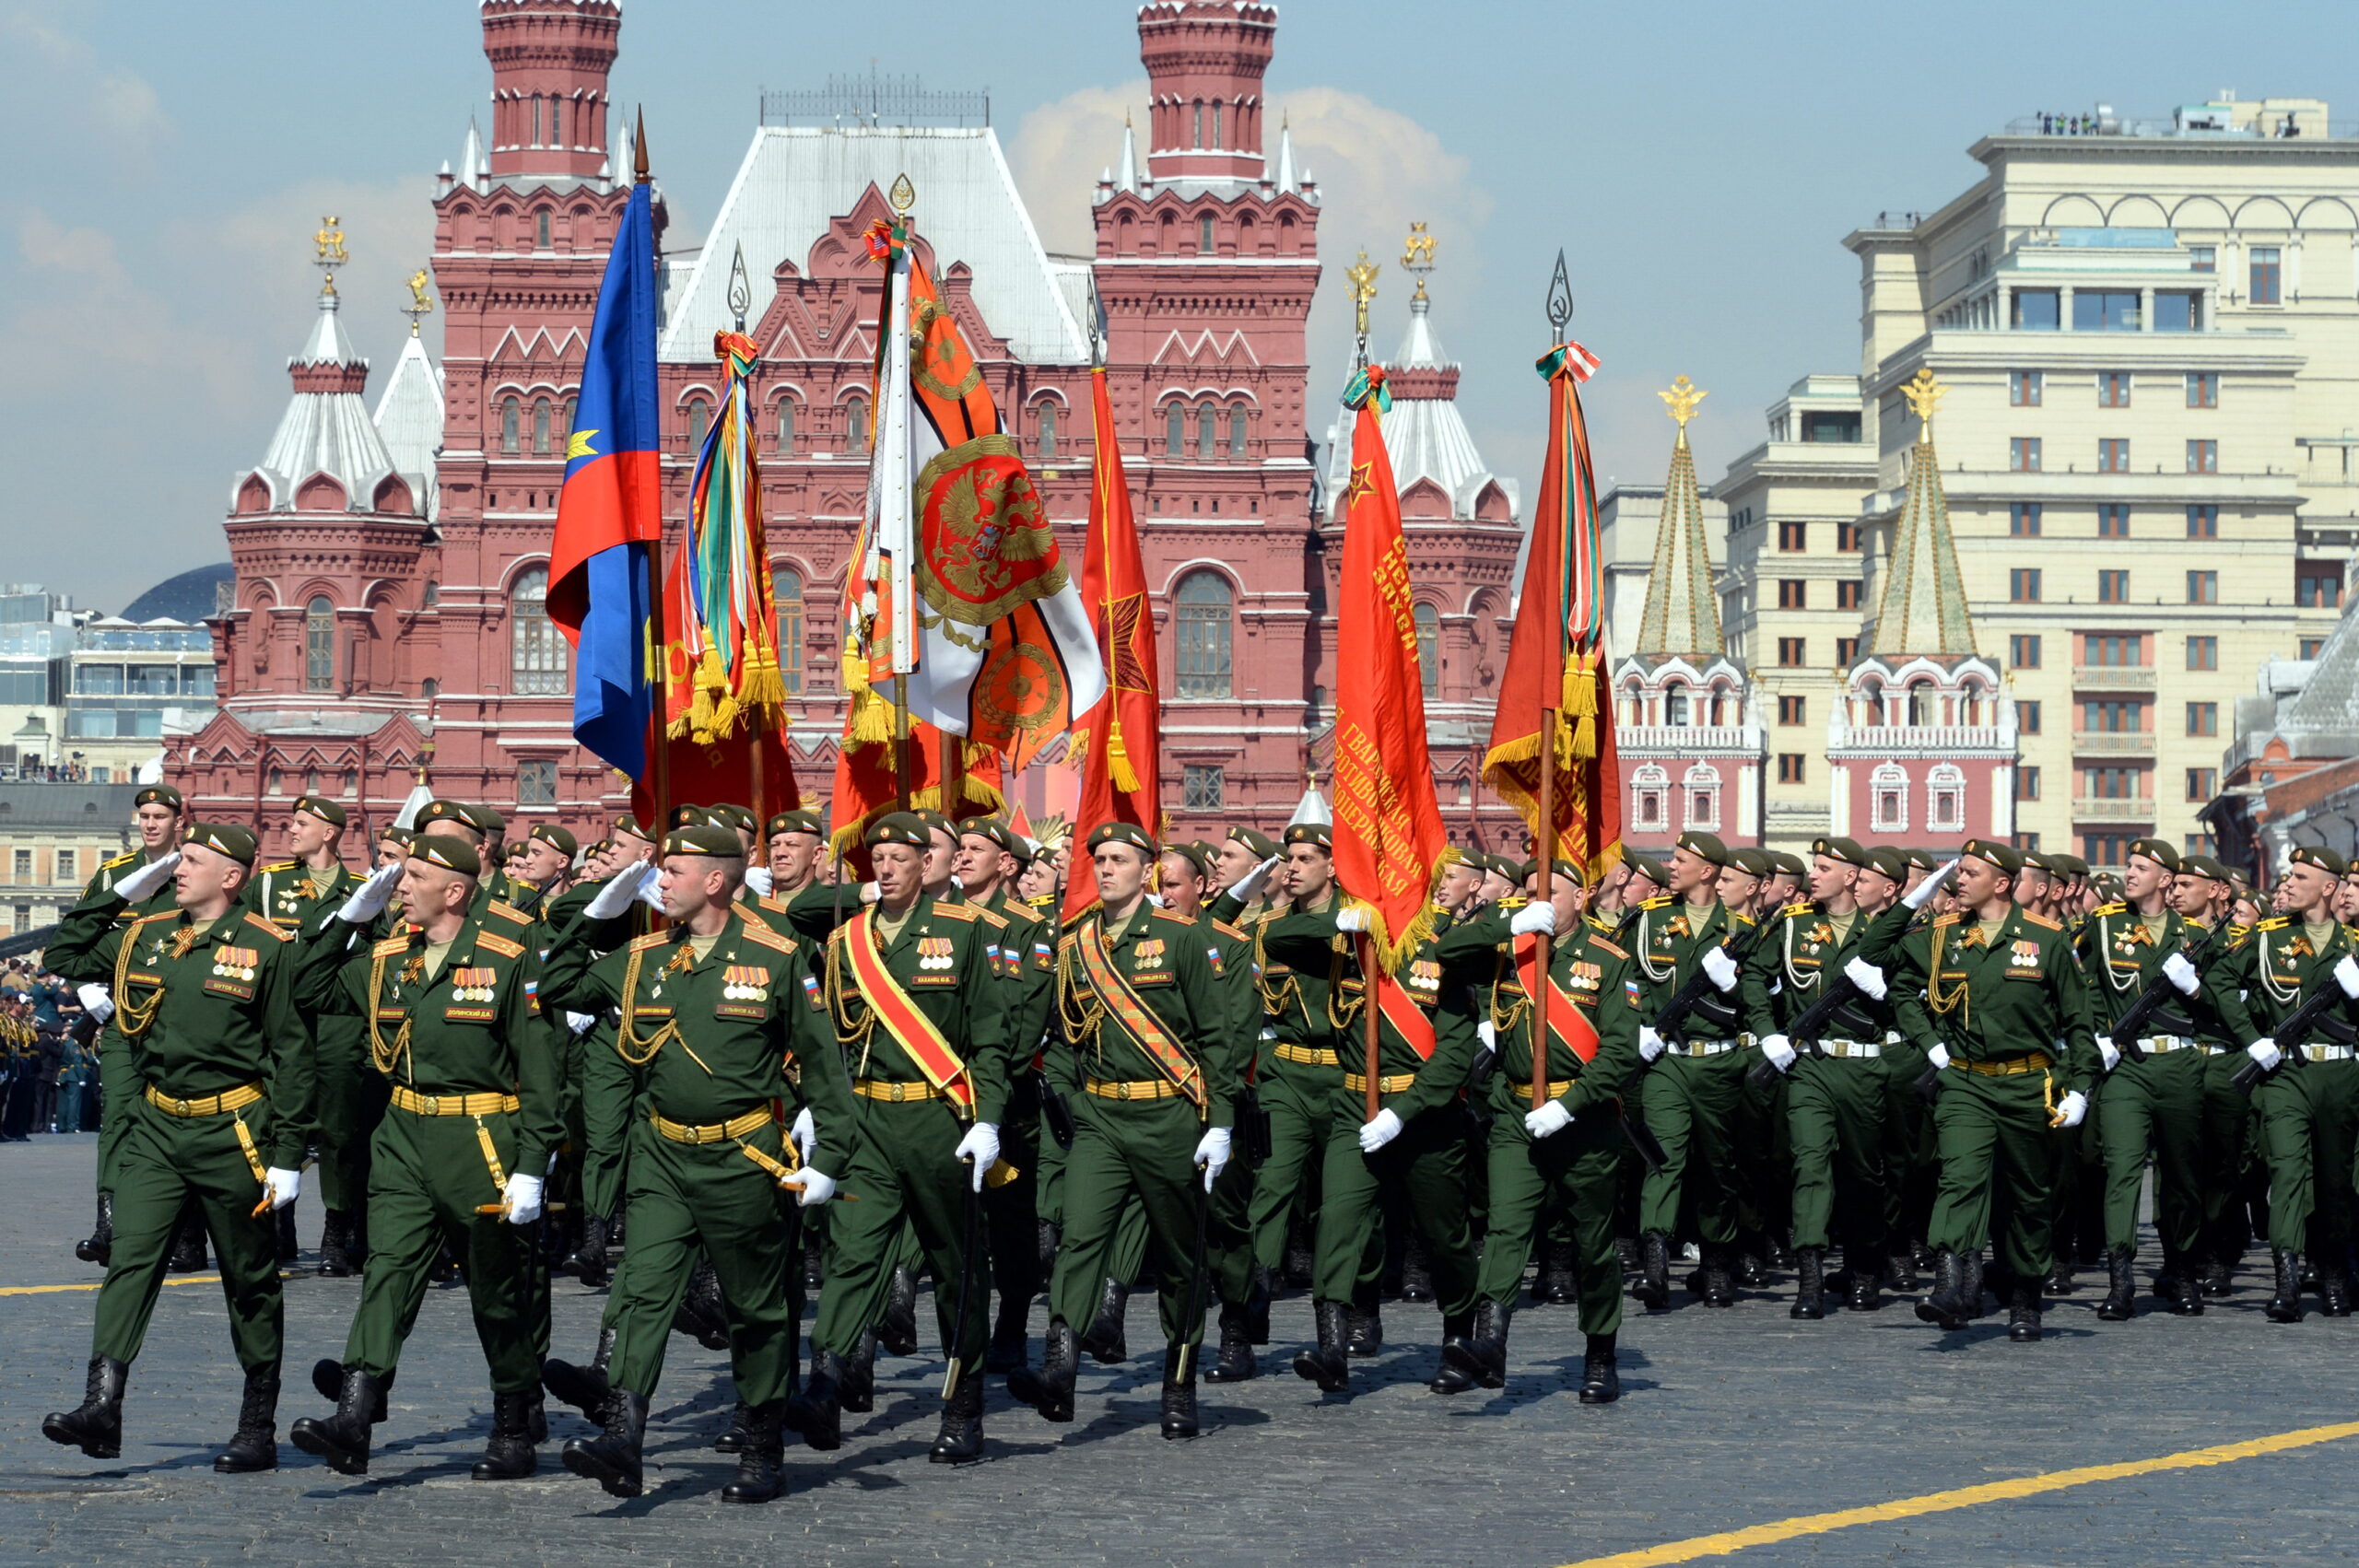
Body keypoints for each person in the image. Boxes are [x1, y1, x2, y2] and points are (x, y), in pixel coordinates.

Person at [537, 822, 851, 1503]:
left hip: (743, 1157)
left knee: (755, 1309)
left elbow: (825, 1066)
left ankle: (763, 1443)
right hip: (661, 1154)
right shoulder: (645, 954)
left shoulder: (775, 955)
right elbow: (557, 986)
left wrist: (833, 1156)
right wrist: (597, 914)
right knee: (645, 1289)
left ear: (715, 879)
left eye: (672, 870)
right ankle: (623, 1436)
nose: (661, 881)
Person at [40, 823, 313, 1472]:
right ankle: (101, 1408)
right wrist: (123, 891)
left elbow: (293, 1056)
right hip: (158, 1129)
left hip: (234, 1131)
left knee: (248, 1281)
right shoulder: (146, 933)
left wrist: (288, 1152)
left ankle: (257, 1424)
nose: (178, 867)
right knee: (130, 1261)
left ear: (232, 876)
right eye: (177, 858)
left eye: (192, 860)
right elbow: (65, 954)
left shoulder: (268, 947)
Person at [287, 836, 558, 1480]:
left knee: (497, 1294)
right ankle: (354, 1417)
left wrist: (532, 1163)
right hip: (404, 1135)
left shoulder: (506, 961)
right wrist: (348, 920)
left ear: (455, 890)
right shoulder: (387, 961)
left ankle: (515, 1426)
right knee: (388, 1275)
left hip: (483, 1138)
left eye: (413, 876)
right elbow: (307, 984)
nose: (399, 886)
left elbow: (542, 1072)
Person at [789, 813, 1010, 1464]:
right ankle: (825, 1387)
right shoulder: (845, 940)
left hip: (937, 1119)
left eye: (898, 858)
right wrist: (814, 1106)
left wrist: (988, 1118)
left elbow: (989, 1038)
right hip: (864, 1122)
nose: (884, 869)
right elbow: (828, 1037)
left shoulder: (964, 933)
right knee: (853, 1255)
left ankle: (963, 1404)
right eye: (876, 858)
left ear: (927, 864)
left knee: (954, 1266)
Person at [1007, 823, 1235, 1436]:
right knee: (1080, 1236)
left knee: (1181, 1254)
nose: (1106, 870)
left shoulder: (1181, 940)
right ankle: (1060, 1364)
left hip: (1170, 1114)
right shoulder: (1076, 944)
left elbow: (1216, 1037)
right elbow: (1061, 1030)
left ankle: (1179, 1380)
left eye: (1119, 860)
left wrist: (1222, 1123)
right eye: (1100, 860)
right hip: (1102, 1115)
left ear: (1147, 869)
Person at [1437, 860, 1637, 1399]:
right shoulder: (1511, 950)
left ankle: (1601, 1353)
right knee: (1505, 1230)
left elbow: (1620, 1052)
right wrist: (1510, 924)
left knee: (1592, 1244)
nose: (1536, 898)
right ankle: (1490, 1345)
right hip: (1515, 1113)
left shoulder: (1608, 960)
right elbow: (1446, 952)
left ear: (1584, 896)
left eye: (1549, 891)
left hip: (1583, 1118)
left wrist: (1571, 1104)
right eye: (1528, 891)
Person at [1893, 839, 2097, 1341]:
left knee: (2026, 1195)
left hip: (2030, 1082)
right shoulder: (1941, 935)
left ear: (2002, 883)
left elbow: (2079, 1023)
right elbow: (1893, 978)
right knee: (1959, 1179)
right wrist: (1931, 1046)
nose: (1958, 880)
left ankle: (2026, 1297)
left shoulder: (2046, 939)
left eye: (1969, 873)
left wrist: (2081, 1088)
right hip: (1964, 1080)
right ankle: (1947, 1284)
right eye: (1958, 872)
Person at [1745, 839, 1949, 1317]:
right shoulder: (1793, 925)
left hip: (1865, 1067)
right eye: (1813, 867)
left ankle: (1863, 1267)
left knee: (1863, 1175)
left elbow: (1921, 992)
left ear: (1853, 876)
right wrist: (1767, 1033)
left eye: (1824, 868)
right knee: (1809, 1167)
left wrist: (1888, 995)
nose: (1813, 876)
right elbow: (1755, 974)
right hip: (1809, 1067)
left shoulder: (1884, 933)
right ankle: (1810, 1279)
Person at [2208, 845, 2359, 1321]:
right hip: (2285, 1074)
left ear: (2328, 887)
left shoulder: (2353, 945)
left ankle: (2334, 1271)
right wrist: (2252, 1040)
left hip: (2340, 1073)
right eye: (2287, 875)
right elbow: (2219, 981)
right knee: (2287, 1174)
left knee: (2335, 1182)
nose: (2288, 883)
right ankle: (2287, 1277)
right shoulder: (2268, 937)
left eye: (2299, 877)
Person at [2077, 838, 2214, 1319]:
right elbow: (2081, 987)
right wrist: (2098, 1037)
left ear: (2166, 879)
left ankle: (2180, 1270)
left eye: (2141, 867)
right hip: (2125, 1067)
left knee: (2181, 1176)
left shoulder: (2194, 934)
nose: (2129, 873)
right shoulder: (2105, 923)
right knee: (2123, 1170)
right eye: (2129, 865)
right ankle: (2121, 1278)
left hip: (2178, 1066)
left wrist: (2195, 987)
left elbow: (2222, 1008)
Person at [59, 782, 189, 1268]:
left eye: (160, 816)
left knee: (177, 1119)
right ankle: (107, 1224)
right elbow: (79, 931)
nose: (151, 824)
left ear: (179, 822)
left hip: (180, 1023)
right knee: (117, 1120)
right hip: (122, 1021)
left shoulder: (192, 871)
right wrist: (89, 989)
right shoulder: (116, 875)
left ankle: (179, 1229)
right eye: (146, 816)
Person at [1628, 831, 1757, 1309]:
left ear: (1708, 871)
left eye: (1681, 859)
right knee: (1663, 1158)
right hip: (1667, 1063)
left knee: (1718, 1167)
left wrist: (1737, 990)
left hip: (1721, 1061)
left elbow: (1762, 999)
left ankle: (1717, 1262)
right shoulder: (1649, 920)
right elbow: (1630, 980)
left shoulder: (1743, 928)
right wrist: (1638, 1026)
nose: (1672, 865)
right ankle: (1656, 1264)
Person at [249, 795, 372, 1274]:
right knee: (276, 1121)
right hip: (279, 1021)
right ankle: (279, 1225)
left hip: (338, 1024)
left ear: (330, 832)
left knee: (340, 1132)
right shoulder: (268, 884)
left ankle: (336, 1232)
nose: (291, 830)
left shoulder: (362, 891)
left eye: (301, 823)